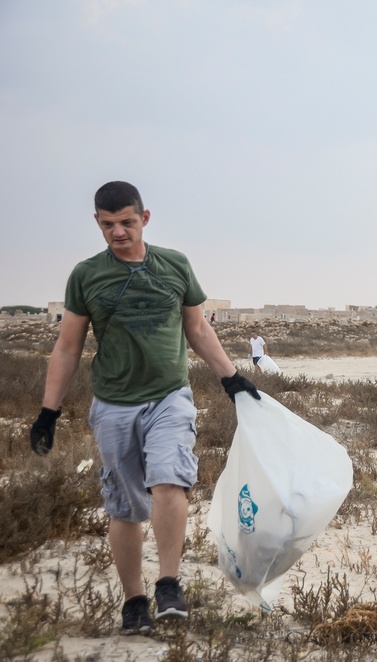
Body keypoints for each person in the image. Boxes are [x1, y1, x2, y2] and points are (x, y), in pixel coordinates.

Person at [29, 181, 260, 635]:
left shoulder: (174, 265)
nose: (118, 232)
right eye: (108, 224)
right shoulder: (85, 275)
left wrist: (230, 377)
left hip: (169, 397)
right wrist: (47, 412)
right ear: (97, 222)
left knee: (170, 481)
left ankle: (169, 583)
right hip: (113, 405)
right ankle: (134, 601)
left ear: (145, 218)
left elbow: (197, 329)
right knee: (125, 507)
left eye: (127, 222)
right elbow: (68, 347)